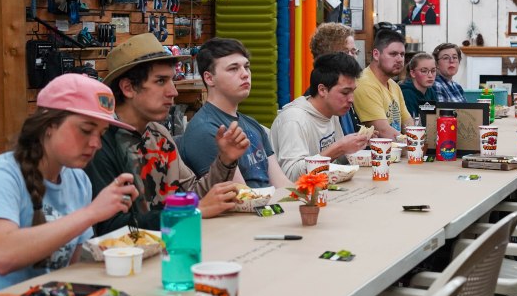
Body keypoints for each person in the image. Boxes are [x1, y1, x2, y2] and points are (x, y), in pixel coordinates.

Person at [0, 74, 140, 296]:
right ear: (48, 125)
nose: (96, 143)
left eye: (102, 134)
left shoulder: (78, 180)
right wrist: (91, 213)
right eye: (86, 130)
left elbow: (71, 268)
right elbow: (2, 256)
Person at [85, 33, 249, 236]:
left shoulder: (158, 134)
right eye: (161, 81)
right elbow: (111, 227)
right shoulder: (99, 142)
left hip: (167, 247)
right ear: (128, 88)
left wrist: (225, 160)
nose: (174, 91)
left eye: (172, 80)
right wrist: (192, 211)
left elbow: (192, 195)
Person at [180, 38, 288, 189]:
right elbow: (242, 198)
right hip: (248, 210)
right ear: (209, 78)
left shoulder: (252, 124)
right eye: (233, 68)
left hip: (272, 207)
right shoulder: (206, 130)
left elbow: (283, 185)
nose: (245, 74)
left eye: (247, 67)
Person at [271, 53, 370, 181]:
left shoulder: (332, 112)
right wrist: (338, 148)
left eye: (353, 91)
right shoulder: (294, 119)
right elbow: (291, 176)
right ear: (322, 90)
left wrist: (357, 144)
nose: (351, 99)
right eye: (345, 92)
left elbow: (337, 162)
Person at [353, 29, 412, 138]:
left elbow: (408, 123)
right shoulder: (365, 83)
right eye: (393, 54)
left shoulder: (394, 85)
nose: (399, 59)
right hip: (376, 153)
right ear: (376, 54)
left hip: (395, 152)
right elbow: (383, 132)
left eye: (402, 54)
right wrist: (415, 144)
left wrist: (417, 137)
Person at [308, 22, 361, 136]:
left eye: (355, 51)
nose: (353, 57)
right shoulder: (316, 104)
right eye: (347, 52)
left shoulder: (344, 93)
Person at [399, 52, 438, 119]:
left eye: (433, 70)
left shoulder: (431, 91)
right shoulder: (406, 93)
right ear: (413, 73)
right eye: (424, 71)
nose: (430, 75)